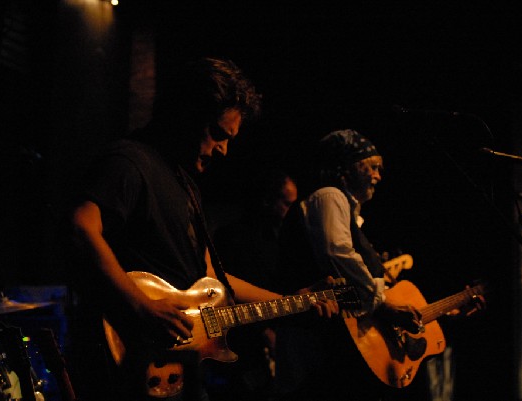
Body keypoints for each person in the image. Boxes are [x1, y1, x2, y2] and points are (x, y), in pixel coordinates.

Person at [67, 57, 337, 401]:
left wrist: (291, 302)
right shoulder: (129, 162)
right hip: (130, 367)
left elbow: (214, 279)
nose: (223, 150)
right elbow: (80, 227)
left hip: (178, 371)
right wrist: (140, 306)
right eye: (218, 135)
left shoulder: (186, 185)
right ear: (188, 113)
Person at [273, 129, 423, 401]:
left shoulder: (345, 208)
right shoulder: (330, 196)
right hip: (313, 342)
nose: (379, 176)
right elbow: (337, 251)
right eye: (373, 167)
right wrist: (379, 301)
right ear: (349, 167)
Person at [204, 169, 298, 401]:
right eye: (288, 204)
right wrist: (264, 331)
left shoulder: (285, 240)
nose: (292, 212)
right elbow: (222, 293)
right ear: (268, 201)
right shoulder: (234, 236)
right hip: (241, 344)